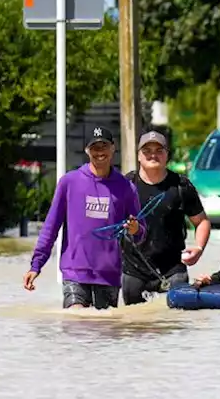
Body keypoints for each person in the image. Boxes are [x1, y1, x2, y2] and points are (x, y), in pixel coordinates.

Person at [23, 126, 146, 309]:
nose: (100, 152)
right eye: (95, 147)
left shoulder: (126, 188)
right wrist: (36, 265)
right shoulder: (69, 182)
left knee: (104, 331)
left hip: (108, 274)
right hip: (75, 272)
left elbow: (142, 232)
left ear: (113, 148)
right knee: (77, 321)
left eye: (104, 146)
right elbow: (51, 227)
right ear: (87, 150)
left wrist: (136, 229)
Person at [122, 130, 211, 304]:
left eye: (159, 150)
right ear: (139, 156)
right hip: (134, 271)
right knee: (132, 324)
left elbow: (202, 222)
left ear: (167, 155)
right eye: (147, 151)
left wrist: (199, 248)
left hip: (173, 271)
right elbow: (110, 224)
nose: (153, 155)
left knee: (174, 323)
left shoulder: (181, 186)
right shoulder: (125, 185)